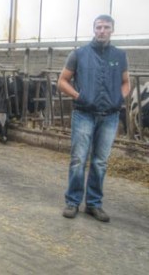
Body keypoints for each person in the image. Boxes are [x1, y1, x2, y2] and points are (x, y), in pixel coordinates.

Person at [57, 14, 130, 222]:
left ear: (112, 30)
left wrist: (119, 97)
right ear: (94, 29)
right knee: (78, 159)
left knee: (100, 162)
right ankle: (72, 202)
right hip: (84, 114)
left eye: (106, 27)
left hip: (109, 116)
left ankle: (93, 204)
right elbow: (62, 81)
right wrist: (79, 96)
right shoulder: (79, 54)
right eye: (98, 27)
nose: (102, 31)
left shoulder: (120, 55)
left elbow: (126, 83)